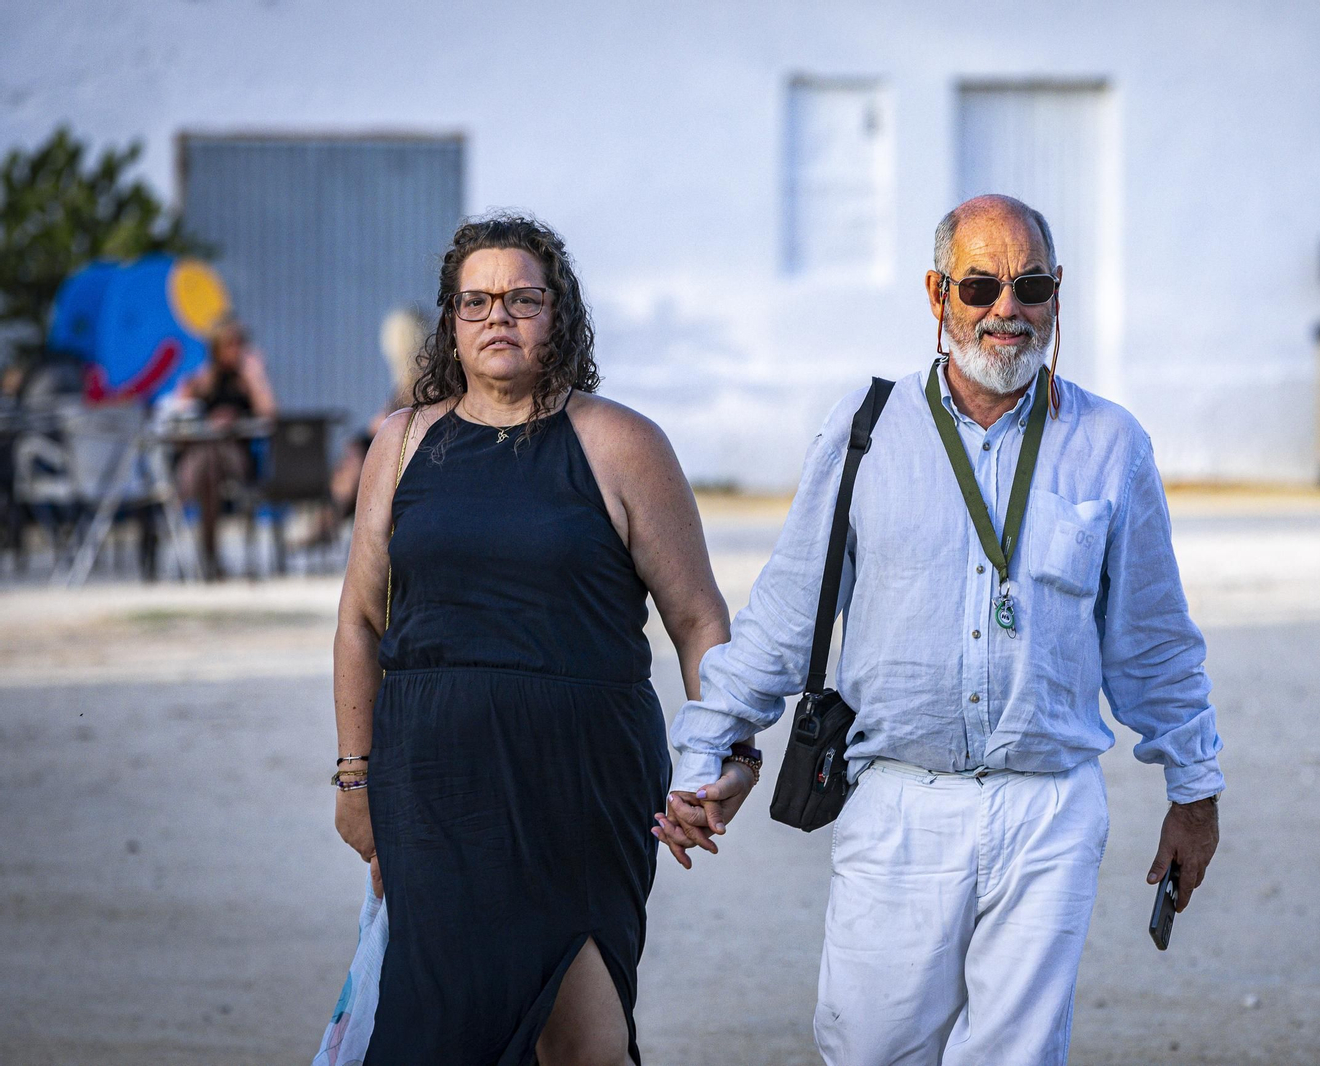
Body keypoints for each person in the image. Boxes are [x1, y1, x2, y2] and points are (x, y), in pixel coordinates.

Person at [657, 194, 1224, 1064]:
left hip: (1049, 809)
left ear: (1056, 293)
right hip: (898, 806)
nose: (1007, 309)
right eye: (980, 285)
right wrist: (706, 753)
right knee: (870, 1049)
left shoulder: (1111, 444)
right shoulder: (866, 432)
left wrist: (1195, 790)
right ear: (937, 294)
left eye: (1029, 285)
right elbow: (786, 613)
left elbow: (1152, 642)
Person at [331, 213, 730, 1066]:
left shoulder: (621, 443)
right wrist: (354, 773)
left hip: (583, 785)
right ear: (449, 320)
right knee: (430, 1036)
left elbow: (698, 619)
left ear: (560, 313)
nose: (497, 318)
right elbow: (362, 620)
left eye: (521, 298)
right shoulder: (401, 444)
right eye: (475, 303)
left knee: (584, 1042)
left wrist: (716, 759)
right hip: (433, 784)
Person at [173, 316, 277, 579]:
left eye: (239, 343)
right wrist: (193, 394)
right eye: (229, 344)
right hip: (207, 456)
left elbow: (270, 415)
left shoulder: (247, 379)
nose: (235, 349)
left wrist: (255, 377)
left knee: (209, 459)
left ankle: (180, 499)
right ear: (216, 348)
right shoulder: (205, 379)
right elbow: (177, 414)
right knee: (208, 462)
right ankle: (210, 560)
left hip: (237, 457)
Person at [318, 308, 425, 542]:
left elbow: (393, 420)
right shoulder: (409, 381)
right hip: (396, 445)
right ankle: (329, 520)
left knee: (356, 457)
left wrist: (370, 432)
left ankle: (329, 520)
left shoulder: (416, 381)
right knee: (354, 454)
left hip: (404, 450)